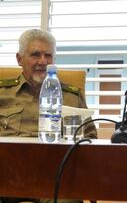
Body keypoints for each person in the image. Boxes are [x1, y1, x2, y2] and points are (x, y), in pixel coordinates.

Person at [0, 29, 97, 203]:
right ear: (19, 59)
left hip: (55, 178)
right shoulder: (2, 93)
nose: (43, 61)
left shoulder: (72, 96)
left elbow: (89, 140)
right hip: (7, 176)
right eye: (35, 55)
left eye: (48, 56)